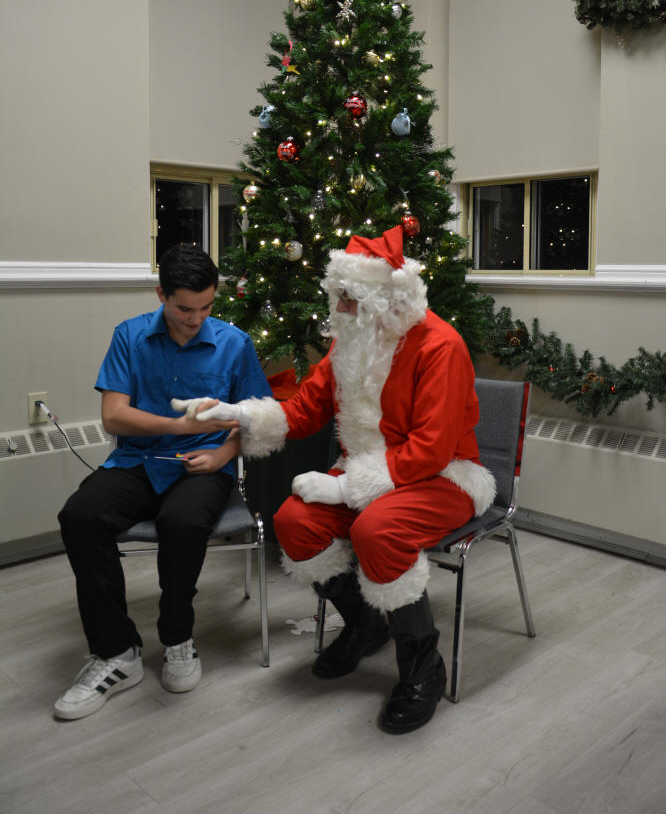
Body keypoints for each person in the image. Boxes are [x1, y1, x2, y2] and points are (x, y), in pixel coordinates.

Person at [178, 226, 495, 734]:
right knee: (294, 521)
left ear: (383, 297)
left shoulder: (441, 346)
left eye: (350, 297)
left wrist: (348, 488)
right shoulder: (352, 340)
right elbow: (305, 409)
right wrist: (236, 413)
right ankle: (366, 623)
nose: (339, 308)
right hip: (372, 471)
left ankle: (423, 667)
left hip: (444, 475)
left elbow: (432, 449)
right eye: (338, 295)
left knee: (378, 530)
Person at [54, 244, 272, 720]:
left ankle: (177, 638)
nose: (196, 319)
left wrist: (222, 455)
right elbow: (113, 416)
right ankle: (117, 652)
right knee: (79, 516)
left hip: (204, 464)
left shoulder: (234, 343)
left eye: (206, 307)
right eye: (184, 308)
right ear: (162, 295)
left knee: (182, 522)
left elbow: (258, 418)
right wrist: (179, 426)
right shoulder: (129, 335)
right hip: (139, 460)